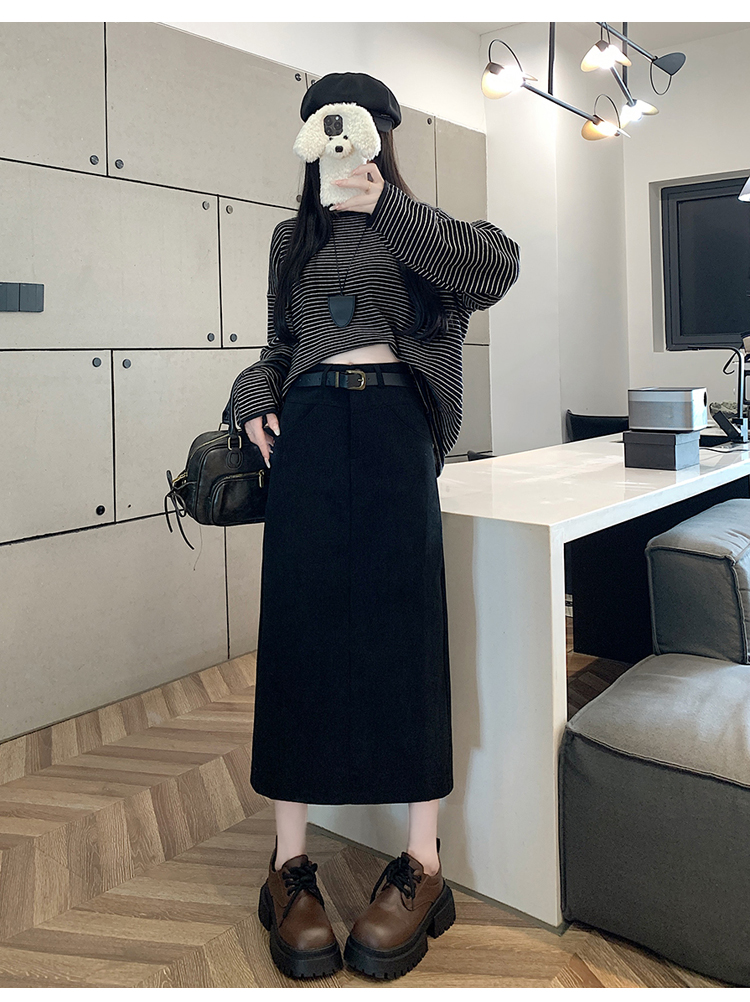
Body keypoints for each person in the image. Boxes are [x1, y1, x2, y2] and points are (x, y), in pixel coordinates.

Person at [229, 71, 520, 981]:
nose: (341, 143)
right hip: (310, 430)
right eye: (326, 128)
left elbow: (498, 267)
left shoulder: (420, 227)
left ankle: (422, 864)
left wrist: (388, 206)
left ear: (381, 136)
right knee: (298, 630)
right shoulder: (290, 240)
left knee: (406, 633)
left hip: (397, 428)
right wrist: (250, 394)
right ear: (309, 138)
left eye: (355, 129)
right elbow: (279, 346)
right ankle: (289, 864)